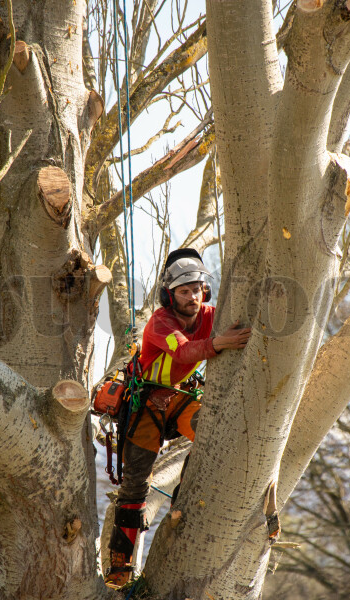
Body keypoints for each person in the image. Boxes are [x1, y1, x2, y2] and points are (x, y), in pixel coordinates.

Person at [105, 248, 251, 587]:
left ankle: (187, 498)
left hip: (183, 395)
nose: (193, 297)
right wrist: (220, 343)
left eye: (197, 289)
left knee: (213, 435)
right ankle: (120, 561)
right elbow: (184, 350)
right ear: (170, 295)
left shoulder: (211, 316)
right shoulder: (161, 321)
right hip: (147, 401)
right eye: (184, 291)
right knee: (135, 482)